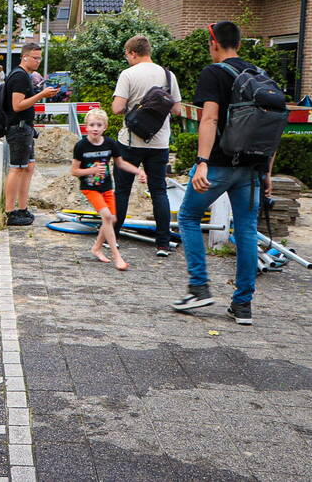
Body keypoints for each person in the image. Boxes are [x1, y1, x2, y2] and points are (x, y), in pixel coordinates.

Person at [171, 21, 271, 325]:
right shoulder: (259, 75)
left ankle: (199, 287)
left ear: (214, 43)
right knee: (245, 230)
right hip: (251, 170)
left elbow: (210, 119)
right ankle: (243, 305)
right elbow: (270, 127)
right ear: (238, 44)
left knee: (188, 216)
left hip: (217, 165)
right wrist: (266, 172)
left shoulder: (213, 73)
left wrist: (201, 161)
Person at [111, 35, 182, 257]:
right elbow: (177, 110)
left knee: (122, 191)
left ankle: (112, 238)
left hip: (131, 141)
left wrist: (135, 107)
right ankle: (162, 243)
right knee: (159, 190)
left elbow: (116, 108)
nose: (127, 59)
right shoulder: (168, 76)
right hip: (159, 143)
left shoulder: (128, 74)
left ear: (133, 53)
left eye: (127, 55)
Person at [71, 109, 146, 271]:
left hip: (106, 187)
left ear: (105, 126)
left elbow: (121, 164)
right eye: (91, 125)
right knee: (106, 216)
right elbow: (74, 171)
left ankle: (96, 248)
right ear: (86, 127)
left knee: (111, 219)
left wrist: (139, 171)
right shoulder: (81, 146)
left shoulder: (110, 143)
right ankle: (117, 256)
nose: (95, 128)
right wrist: (91, 171)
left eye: (99, 125)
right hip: (90, 188)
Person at [3, 43, 59, 226]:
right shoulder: (19, 76)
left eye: (39, 58)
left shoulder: (24, 76)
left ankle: (22, 208)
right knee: (16, 168)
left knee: (28, 167)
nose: (38, 61)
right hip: (18, 128)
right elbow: (17, 105)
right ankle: (9, 212)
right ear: (25, 57)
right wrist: (41, 95)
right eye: (35, 58)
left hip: (25, 128)